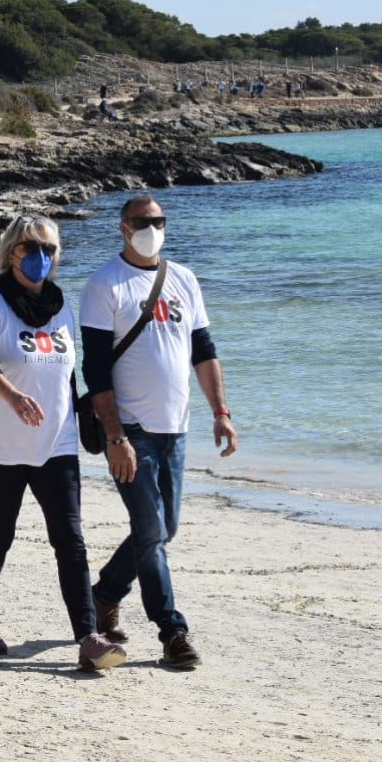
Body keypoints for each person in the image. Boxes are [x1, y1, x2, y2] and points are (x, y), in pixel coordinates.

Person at [0, 214, 128, 673]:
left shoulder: (61, 305)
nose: (40, 257)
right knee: (0, 533)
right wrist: (13, 397)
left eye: (48, 249)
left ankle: (88, 636)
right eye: (29, 248)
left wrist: (88, 415)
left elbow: (68, 370)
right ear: (10, 252)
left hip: (57, 442)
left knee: (70, 540)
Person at [80, 195, 238, 671]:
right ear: (123, 228)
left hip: (178, 428)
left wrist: (221, 412)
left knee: (165, 528)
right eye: (143, 221)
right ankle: (172, 631)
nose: (152, 227)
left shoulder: (184, 280)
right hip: (131, 429)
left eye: (159, 221)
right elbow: (96, 367)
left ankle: (105, 592)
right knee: (150, 533)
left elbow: (203, 350)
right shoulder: (104, 284)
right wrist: (114, 437)